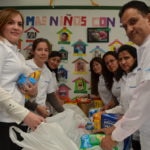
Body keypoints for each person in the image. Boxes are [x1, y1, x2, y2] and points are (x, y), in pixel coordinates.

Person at [100, 1, 150, 150]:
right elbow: (132, 104)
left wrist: (115, 136)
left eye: (133, 21)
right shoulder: (144, 50)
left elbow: (144, 99)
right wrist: (117, 126)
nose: (129, 29)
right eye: (125, 26)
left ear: (148, 18)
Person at [0, 8, 45, 150]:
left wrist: (33, 91)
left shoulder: (16, 53)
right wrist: (25, 114)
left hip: (13, 118)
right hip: (3, 119)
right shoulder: (1, 48)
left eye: (20, 24)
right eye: (10, 22)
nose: (16, 27)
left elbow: (30, 79)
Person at [25, 38, 64, 118]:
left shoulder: (47, 72)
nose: (43, 53)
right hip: (25, 115)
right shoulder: (24, 67)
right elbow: (17, 94)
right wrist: (36, 107)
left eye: (46, 50)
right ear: (33, 51)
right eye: (39, 49)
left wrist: (64, 113)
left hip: (41, 116)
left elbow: (51, 96)